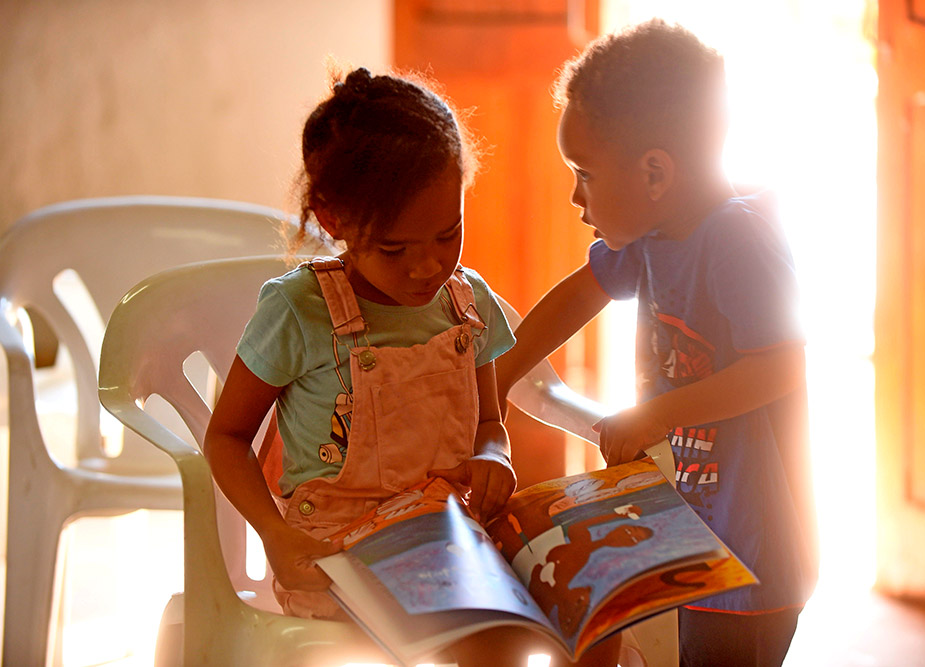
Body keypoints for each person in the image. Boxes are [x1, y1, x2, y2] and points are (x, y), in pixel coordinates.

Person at [496, 19, 819, 667]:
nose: (573, 195)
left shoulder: (736, 242)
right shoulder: (650, 237)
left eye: (584, 173)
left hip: (755, 551)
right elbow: (577, 293)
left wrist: (657, 413)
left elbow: (781, 365)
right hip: (694, 524)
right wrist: (496, 376)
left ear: (654, 172)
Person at [204, 65, 536, 665]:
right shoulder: (299, 311)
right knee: (468, 642)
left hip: (453, 537)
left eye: (448, 233)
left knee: (550, 614)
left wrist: (494, 456)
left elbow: (491, 423)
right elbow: (226, 437)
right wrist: (272, 532)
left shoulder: (467, 303)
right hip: (336, 557)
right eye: (394, 248)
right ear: (333, 219)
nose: (428, 266)